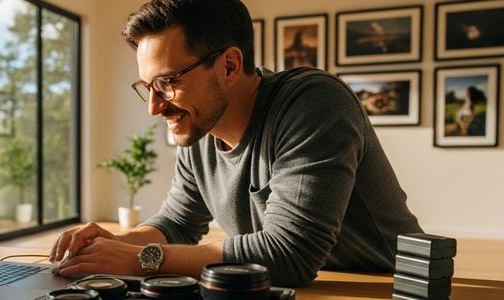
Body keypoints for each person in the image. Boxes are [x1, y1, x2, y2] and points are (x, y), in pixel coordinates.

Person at [49, 0, 422, 287]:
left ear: (228, 66)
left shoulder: (313, 102)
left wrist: (140, 258)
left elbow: (290, 255)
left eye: (167, 83)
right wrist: (113, 244)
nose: (153, 107)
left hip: (385, 287)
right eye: (147, 88)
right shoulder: (198, 129)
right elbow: (178, 223)